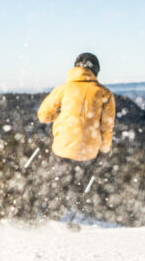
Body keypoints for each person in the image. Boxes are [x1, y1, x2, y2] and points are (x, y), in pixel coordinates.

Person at [35, 53, 115, 217]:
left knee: (51, 179)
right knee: (76, 183)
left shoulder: (63, 89)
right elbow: (107, 127)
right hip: (89, 151)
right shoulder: (104, 93)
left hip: (62, 147)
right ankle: (67, 214)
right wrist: (105, 149)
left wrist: (60, 115)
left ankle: (39, 212)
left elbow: (43, 116)